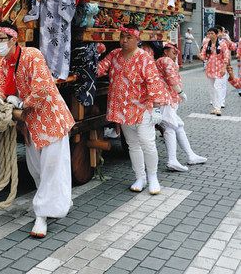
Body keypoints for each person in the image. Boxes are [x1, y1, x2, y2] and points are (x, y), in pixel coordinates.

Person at [0, 20, 74, 239]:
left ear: (13, 39)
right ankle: (55, 200)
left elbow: (43, 87)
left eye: (1, 40)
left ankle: (42, 215)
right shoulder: (5, 63)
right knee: (36, 169)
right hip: (30, 123)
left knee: (52, 167)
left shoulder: (32, 55)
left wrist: (22, 102)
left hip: (50, 119)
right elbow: (1, 85)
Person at [97, 25, 169, 195]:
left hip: (143, 108)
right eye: (122, 36)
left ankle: (153, 177)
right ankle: (140, 177)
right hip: (122, 108)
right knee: (132, 145)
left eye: (128, 37)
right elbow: (100, 69)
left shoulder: (144, 57)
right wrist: (95, 53)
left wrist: (157, 108)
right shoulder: (114, 55)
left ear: (137, 39)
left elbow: (154, 82)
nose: (124, 40)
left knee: (148, 143)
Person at [155, 42, 206, 172]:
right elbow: (171, 79)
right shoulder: (165, 60)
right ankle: (172, 160)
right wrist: (180, 92)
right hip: (164, 99)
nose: (175, 55)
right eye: (173, 52)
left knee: (178, 126)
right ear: (166, 51)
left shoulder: (163, 60)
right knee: (171, 127)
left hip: (166, 99)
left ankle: (191, 155)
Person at [200, 27, 231, 116]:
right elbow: (204, 57)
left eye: (212, 33)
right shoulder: (206, 44)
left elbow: (226, 56)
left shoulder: (222, 44)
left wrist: (224, 67)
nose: (210, 35)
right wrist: (200, 56)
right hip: (210, 69)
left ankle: (218, 107)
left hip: (220, 69)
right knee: (211, 88)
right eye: (209, 33)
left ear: (217, 34)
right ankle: (214, 106)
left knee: (218, 87)